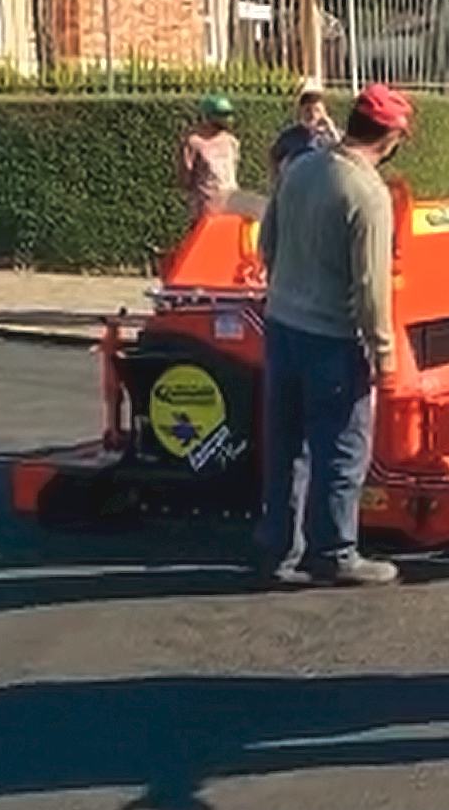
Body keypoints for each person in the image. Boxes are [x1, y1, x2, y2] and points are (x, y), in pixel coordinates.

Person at [253, 82, 414, 589]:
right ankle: (336, 551)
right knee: (342, 447)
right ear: (391, 139)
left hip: (282, 327)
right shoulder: (367, 192)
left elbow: (267, 242)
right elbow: (371, 287)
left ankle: (278, 547)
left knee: (286, 443)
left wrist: (289, 290)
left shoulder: (301, 167)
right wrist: (385, 356)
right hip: (333, 339)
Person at [176, 94, 239, 220]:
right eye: (222, 115)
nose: (227, 119)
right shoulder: (194, 143)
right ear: (207, 117)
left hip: (231, 208)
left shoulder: (231, 142)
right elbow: (186, 179)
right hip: (205, 211)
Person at [269, 85, 342, 179]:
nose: (313, 115)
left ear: (325, 113)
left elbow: (344, 158)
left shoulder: (331, 137)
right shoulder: (289, 137)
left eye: (317, 110)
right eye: (308, 110)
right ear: (300, 111)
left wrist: (331, 129)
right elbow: (274, 157)